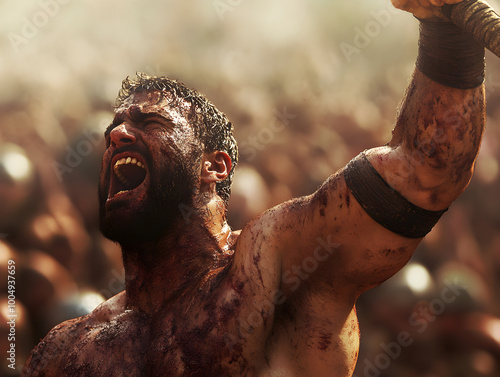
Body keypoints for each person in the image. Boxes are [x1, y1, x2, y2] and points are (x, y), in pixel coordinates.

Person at [21, 0, 487, 375]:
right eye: (114, 129)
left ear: (215, 166)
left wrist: (445, 30)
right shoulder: (67, 351)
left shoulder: (276, 266)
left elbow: (424, 170)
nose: (116, 135)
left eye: (149, 121)